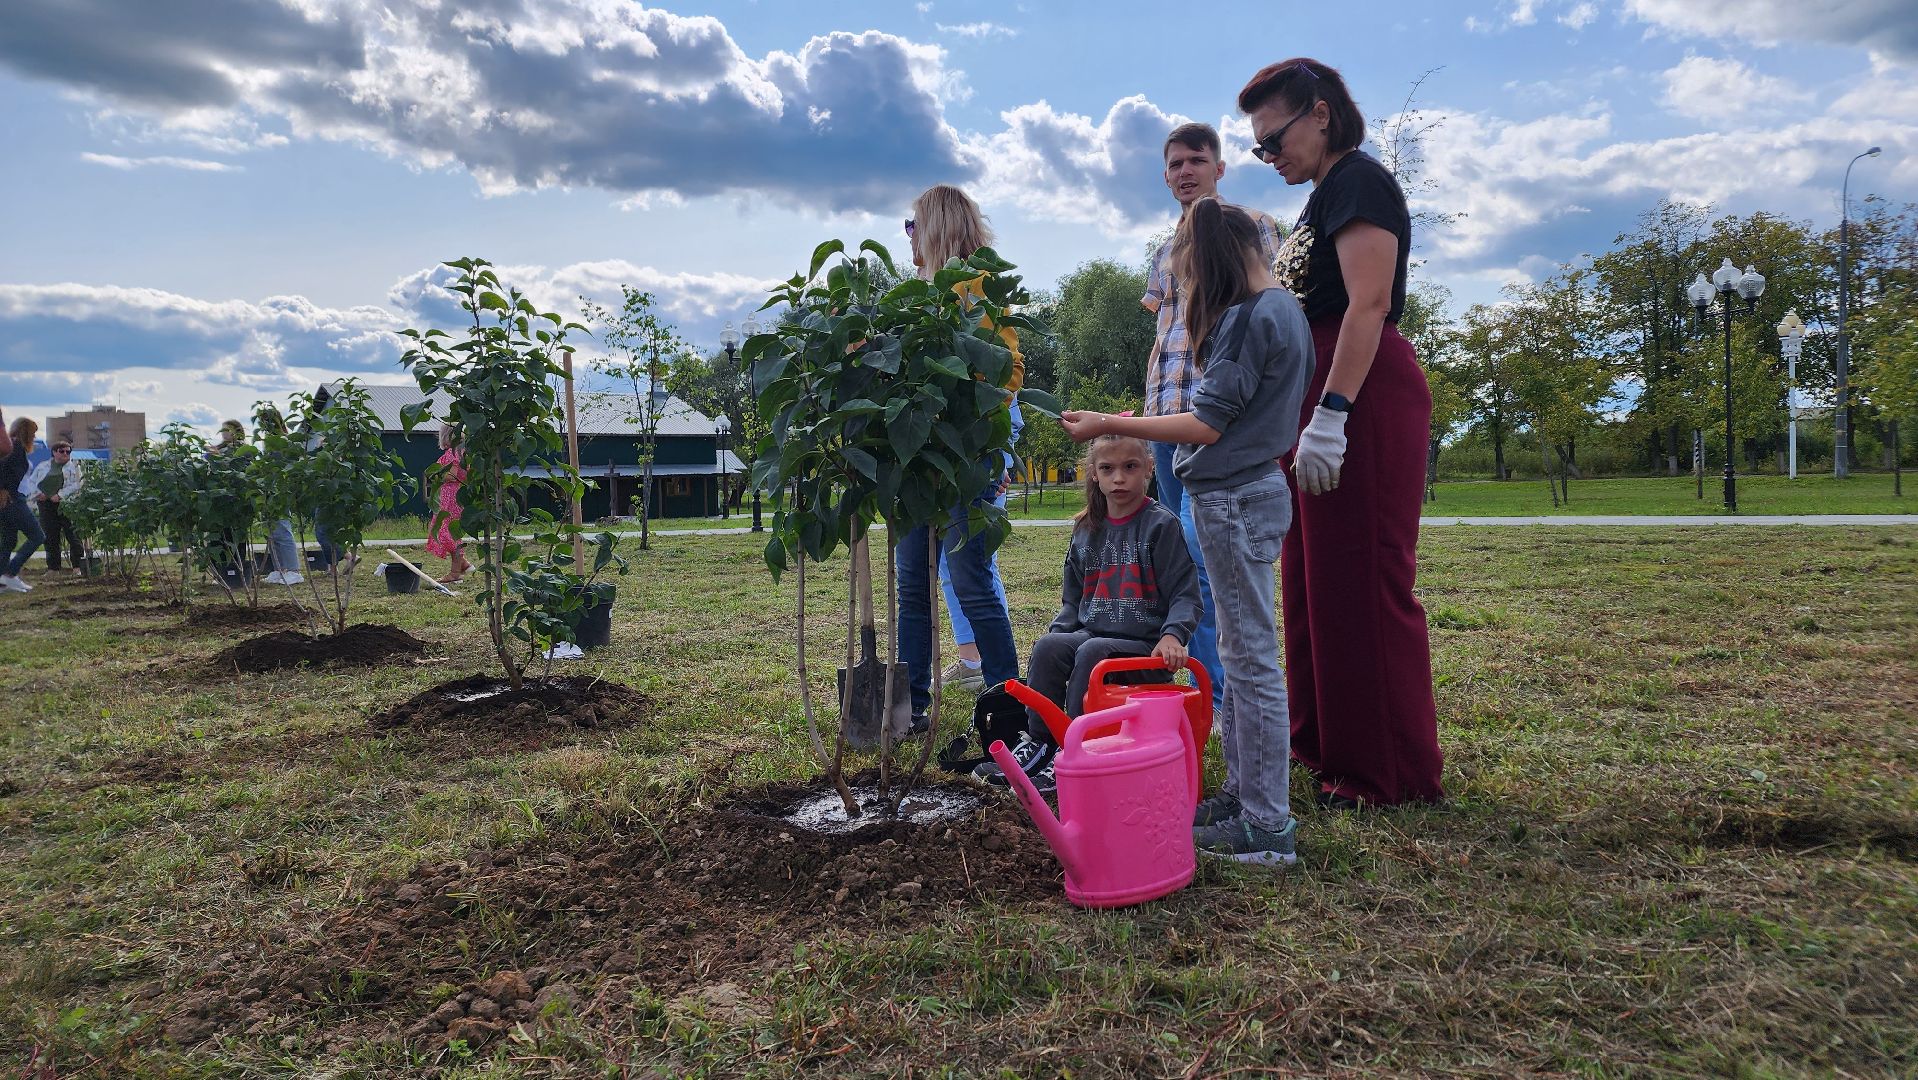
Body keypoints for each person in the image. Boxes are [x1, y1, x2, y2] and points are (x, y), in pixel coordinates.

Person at [1062, 196, 1313, 866]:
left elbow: (1206, 424)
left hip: (1232, 497)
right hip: (1250, 490)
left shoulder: (1245, 318)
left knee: (1251, 663)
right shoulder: (1285, 309)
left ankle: (1267, 826)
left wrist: (1115, 426)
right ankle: (1246, 797)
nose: (1188, 290)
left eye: (1189, 275)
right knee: (1243, 653)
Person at [1241, 57, 1444, 809]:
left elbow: (1368, 304)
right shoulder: (1321, 198)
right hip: (1315, 392)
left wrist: (1332, 416)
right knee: (1313, 580)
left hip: (1356, 393)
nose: (1269, 157)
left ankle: (1383, 771)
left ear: (1320, 113)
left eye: (1274, 138)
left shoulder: (1359, 181)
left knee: (1360, 578)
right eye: (1259, 148)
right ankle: (1325, 745)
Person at [1141, 122, 1284, 724]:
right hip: (1164, 416)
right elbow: (1164, 329)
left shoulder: (1248, 226)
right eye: (1174, 164)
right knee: (1180, 561)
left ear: (1220, 168)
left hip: (1215, 416)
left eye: (1197, 161)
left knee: (1214, 559)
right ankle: (1197, 694)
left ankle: (1229, 702)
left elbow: (1263, 310)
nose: (1185, 172)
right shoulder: (1164, 247)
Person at [977, 434, 1201, 793]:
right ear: (1093, 474)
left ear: (1149, 468)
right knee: (1050, 646)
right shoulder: (1086, 529)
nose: (1119, 478)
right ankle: (1041, 742)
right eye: (1108, 468)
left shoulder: (1161, 525)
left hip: (1143, 649)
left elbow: (1186, 594)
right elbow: (1072, 599)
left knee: (1091, 653)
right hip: (1092, 634)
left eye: (1130, 467)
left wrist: (1174, 635)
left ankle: (1076, 747)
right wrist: (1058, 633)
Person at [895, 184, 1024, 729]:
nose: (908, 237)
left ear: (939, 227)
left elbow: (1007, 377)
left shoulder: (978, 292)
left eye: (913, 224)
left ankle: (1007, 699)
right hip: (918, 460)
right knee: (912, 582)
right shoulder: (917, 296)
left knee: (968, 575)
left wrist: (990, 454)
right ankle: (912, 705)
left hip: (968, 451)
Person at [938, 408, 1024, 694]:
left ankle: (992, 669)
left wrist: (999, 463)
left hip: (978, 469)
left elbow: (1007, 411)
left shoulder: (999, 367)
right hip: (945, 470)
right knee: (952, 569)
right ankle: (971, 660)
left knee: (974, 570)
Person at [252, 405, 304, 586]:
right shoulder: (269, 442)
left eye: (267, 420)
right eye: (262, 421)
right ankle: (280, 569)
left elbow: (287, 466)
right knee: (271, 531)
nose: (264, 424)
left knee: (282, 529)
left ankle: (294, 570)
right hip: (269, 490)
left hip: (280, 490)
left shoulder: (283, 440)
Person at [0, 415, 46, 592]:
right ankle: (10, 573)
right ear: (26, 432)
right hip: (13, 499)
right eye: (33, 433)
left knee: (9, 541)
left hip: (10, 498)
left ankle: (3, 580)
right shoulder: (16, 447)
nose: (34, 437)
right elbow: (3, 469)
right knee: (37, 536)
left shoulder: (13, 446)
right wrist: (4, 489)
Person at [24, 441, 84, 572]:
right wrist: (40, 494)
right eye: (62, 451)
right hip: (46, 505)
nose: (65, 454)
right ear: (54, 452)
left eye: (68, 452)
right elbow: (31, 482)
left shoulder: (74, 467)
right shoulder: (43, 466)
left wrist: (60, 495)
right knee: (50, 536)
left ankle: (78, 566)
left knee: (73, 535)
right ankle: (53, 568)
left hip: (67, 504)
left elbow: (78, 484)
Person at [426, 423, 471, 584]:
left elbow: (451, 476)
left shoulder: (453, 454)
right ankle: (463, 564)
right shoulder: (462, 452)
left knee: (445, 533)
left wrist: (437, 475)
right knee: (446, 531)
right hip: (454, 496)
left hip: (451, 497)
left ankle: (455, 573)